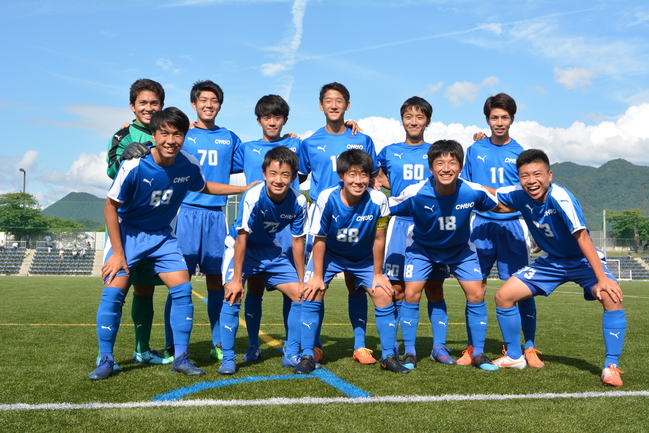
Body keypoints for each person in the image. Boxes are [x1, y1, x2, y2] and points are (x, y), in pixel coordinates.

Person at [88, 107, 253, 380]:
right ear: (154, 135)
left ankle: (181, 357)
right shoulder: (135, 164)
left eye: (177, 134)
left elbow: (204, 186)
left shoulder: (188, 164)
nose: (170, 140)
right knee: (114, 292)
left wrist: (242, 189)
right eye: (164, 133)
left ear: (185, 136)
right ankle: (106, 359)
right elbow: (110, 207)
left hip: (162, 236)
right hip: (128, 234)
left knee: (182, 288)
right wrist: (118, 253)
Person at [491, 149, 626, 386]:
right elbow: (493, 196)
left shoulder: (561, 198)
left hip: (582, 259)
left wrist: (602, 279)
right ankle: (514, 356)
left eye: (537, 174)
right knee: (503, 296)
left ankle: (611, 366)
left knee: (610, 296)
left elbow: (583, 238)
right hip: (551, 262)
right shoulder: (518, 194)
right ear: (519, 178)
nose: (531, 181)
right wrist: (459, 186)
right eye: (524, 176)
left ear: (549, 175)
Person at [389, 139, 500, 371]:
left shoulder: (472, 191)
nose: (446, 168)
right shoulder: (416, 192)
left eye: (452, 162)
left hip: (460, 250)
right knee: (411, 294)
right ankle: (410, 352)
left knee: (477, 294)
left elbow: (499, 204)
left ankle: (477, 353)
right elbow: (385, 207)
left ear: (460, 167)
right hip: (422, 249)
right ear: (431, 168)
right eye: (440, 163)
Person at [299, 149, 409, 374]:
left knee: (383, 293)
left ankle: (388, 355)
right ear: (341, 176)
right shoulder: (326, 197)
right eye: (352, 174)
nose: (358, 181)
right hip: (330, 255)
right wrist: (318, 276)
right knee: (312, 291)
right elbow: (319, 238)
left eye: (363, 175)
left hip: (363, 258)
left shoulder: (378, 199)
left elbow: (379, 238)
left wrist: (378, 273)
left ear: (370, 177)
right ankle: (308, 355)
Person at [298, 82, 378, 365]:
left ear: (347, 105)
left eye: (339, 100)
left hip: (357, 222)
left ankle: (360, 346)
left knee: (357, 287)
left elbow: (375, 177)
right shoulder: (308, 143)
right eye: (328, 101)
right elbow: (297, 177)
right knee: (315, 286)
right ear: (321, 106)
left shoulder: (362, 139)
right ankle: (315, 346)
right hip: (323, 225)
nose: (334, 105)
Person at [460, 93, 543, 367]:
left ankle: (527, 347)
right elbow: (468, 188)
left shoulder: (521, 153)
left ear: (512, 119)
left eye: (504, 117)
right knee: (476, 288)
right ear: (487, 119)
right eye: (494, 117)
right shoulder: (474, 150)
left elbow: (527, 193)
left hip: (512, 227)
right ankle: (475, 348)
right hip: (481, 225)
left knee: (522, 289)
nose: (499, 122)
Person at [168, 80, 243, 363]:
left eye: (214, 100)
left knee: (216, 282)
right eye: (203, 100)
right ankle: (172, 345)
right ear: (193, 104)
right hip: (185, 212)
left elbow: (254, 159)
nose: (208, 105)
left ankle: (218, 342)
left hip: (216, 216)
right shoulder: (183, 134)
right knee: (179, 282)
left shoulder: (230, 138)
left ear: (219, 105)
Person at [217, 146, 307, 375]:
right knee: (233, 294)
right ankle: (229, 357)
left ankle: (291, 353)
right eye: (273, 173)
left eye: (285, 174)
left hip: (269, 249)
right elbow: (241, 237)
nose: (278, 180)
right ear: (265, 174)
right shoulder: (254, 195)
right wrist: (236, 279)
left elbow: (297, 242)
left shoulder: (299, 202)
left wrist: (301, 278)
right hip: (240, 248)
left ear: (294, 178)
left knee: (300, 294)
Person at [376, 97, 451, 365]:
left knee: (434, 287)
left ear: (427, 121)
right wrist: (388, 186)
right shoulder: (388, 151)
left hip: (430, 223)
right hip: (399, 224)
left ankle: (439, 347)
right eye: (409, 116)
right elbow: (371, 174)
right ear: (402, 120)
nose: (414, 122)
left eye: (420, 117)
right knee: (396, 289)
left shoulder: (436, 151)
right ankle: (395, 347)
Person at [102, 78, 169, 369]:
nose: (149, 108)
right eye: (143, 103)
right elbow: (112, 170)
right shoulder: (122, 135)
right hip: (124, 227)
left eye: (154, 103)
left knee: (145, 290)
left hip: (154, 228)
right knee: (117, 288)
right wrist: (124, 159)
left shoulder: (166, 133)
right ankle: (106, 356)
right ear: (132, 106)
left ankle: (142, 350)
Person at [231, 94, 302, 362]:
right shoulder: (246, 148)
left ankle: (291, 345)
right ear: (259, 119)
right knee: (255, 288)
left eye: (277, 117)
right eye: (267, 117)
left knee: (293, 287)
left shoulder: (296, 144)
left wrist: (348, 126)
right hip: (256, 226)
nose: (272, 122)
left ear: (285, 120)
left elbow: (317, 166)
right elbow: (214, 162)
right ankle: (252, 344)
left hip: (288, 226)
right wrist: (193, 130)